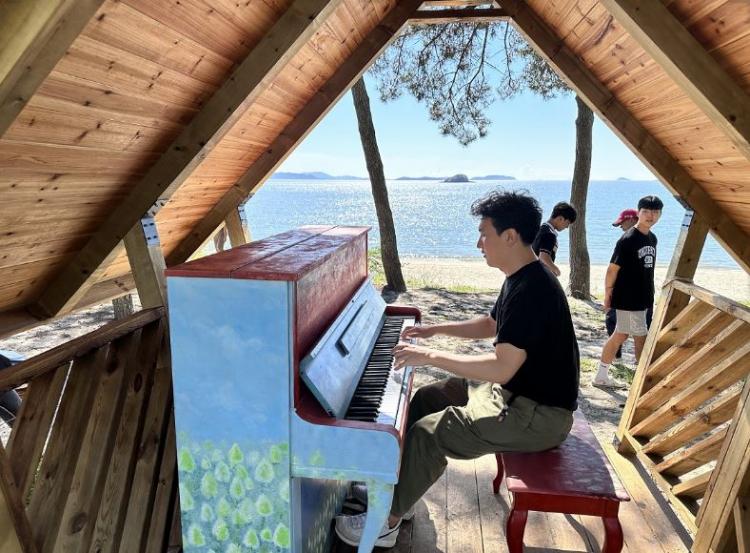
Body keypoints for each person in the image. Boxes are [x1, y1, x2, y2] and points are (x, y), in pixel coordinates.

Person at [335, 190, 580, 548]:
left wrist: (430, 356)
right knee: (428, 398)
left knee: (429, 434)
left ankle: (386, 522)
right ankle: (398, 488)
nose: (479, 243)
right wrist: (435, 330)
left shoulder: (533, 289)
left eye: (484, 234)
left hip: (537, 415)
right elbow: (491, 325)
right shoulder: (521, 275)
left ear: (510, 236)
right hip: (514, 396)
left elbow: (502, 368)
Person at [594, 196, 663, 388]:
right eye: (646, 211)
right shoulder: (628, 239)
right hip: (628, 298)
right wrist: (608, 295)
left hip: (643, 297)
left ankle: (601, 376)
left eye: (655, 212)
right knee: (641, 337)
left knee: (621, 335)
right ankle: (642, 383)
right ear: (638, 213)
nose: (650, 216)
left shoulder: (652, 238)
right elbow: (612, 270)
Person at [605, 209, 638, 361]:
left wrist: (608, 291)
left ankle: (616, 356)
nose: (620, 227)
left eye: (622, 223)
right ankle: (622, 356)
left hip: (626, 291)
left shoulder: (626, 241)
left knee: (612, 320)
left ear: (631, 219)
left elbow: (613, 269)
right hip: (636, 291)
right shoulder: (647, 238)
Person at [531, 201, 577, 276]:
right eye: (567, 223)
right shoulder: (550, 235)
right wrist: (556, 270)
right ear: (560, 218)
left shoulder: (540, 229)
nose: (567, 227)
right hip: (538, 275)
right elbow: (543, 257)